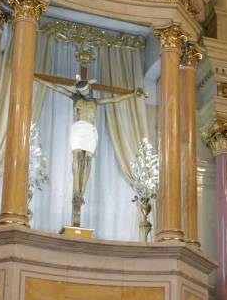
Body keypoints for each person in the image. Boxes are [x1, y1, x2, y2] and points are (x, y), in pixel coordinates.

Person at [36, 76, 146, 227]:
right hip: (78, 129)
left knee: (87, 160)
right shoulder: (75, 98)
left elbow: (114, 100)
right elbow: (56, 87)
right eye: (83, 90)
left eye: (87, 89)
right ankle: (76, 192)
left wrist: (132, 95)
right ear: (79, 91)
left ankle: (82, 192)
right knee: (76, 158)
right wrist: (34, 77)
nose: (86, 92)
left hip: (90, 130)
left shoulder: (95, 102)